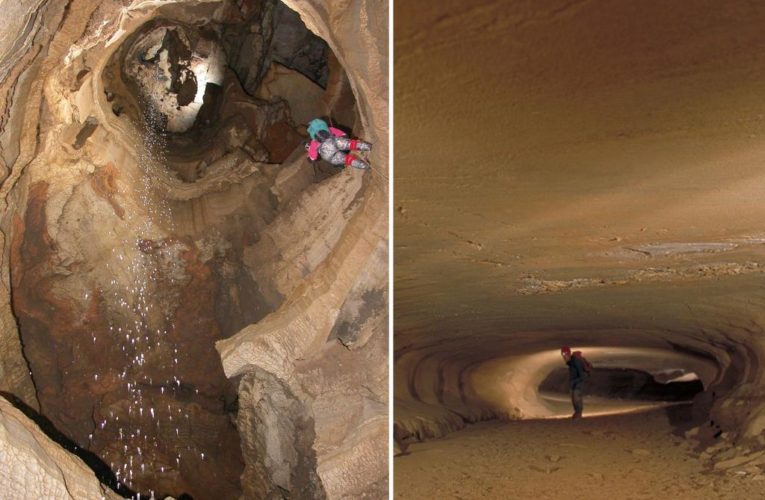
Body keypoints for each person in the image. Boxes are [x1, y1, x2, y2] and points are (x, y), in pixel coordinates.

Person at [305, 118, 372, 169]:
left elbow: (312, 157)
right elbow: (343, 134)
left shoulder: (313, 142)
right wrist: (345, 139)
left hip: (327, 155)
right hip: (334, 142)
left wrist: (310, 159)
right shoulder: (330, 129)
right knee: (350, 144)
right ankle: (367, 146)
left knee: (346, 160)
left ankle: (363, 165)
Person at [561, 346, 587, 419]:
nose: (564, 357)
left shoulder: (575, 361)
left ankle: (578, 413)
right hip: (575, 382)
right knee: (574, 398)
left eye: (565, 355)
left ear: (569, 354)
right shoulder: (571, 362)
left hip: (578, 382)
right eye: (563, 355)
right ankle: (577, 413)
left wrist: (576, 382)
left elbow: (581, 374)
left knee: (576, 397)